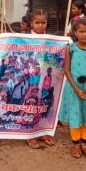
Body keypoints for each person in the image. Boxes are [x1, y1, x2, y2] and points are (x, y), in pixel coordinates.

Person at [58, 17, 86, 158]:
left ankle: (84, 143)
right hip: (74, 88)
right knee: (75, 113)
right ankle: (76, 144)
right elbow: (66, 70)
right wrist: (76, 89)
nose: (85, 34)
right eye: (81, 31)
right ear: (75, 32)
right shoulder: (70, 49)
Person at [26, 9, 56, 149]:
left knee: (43, 104)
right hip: (31, 79)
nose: (40, 25)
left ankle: (42, 131)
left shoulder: (51, 40)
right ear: (31, 23)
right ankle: (29, 134)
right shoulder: (24, 39)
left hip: (45, 79)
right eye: (37, 22)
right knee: (31, 104)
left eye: (43, 22)